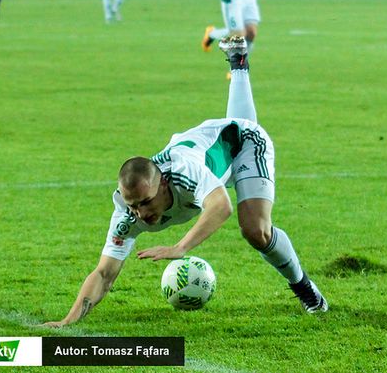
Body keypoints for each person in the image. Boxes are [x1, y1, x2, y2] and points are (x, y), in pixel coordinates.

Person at [43, 37, 328, 328]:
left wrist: (181, 247)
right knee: (234, 131)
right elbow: (104, 274)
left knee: (256, 230)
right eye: (133, 205)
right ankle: (238, 63)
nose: (141, 212)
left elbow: (221, 206)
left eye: (146, 202)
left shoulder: (183, 172)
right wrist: (66, 321)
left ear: (163, 184)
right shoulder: (127, 215)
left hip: (245, 145)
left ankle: (305, 289)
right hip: (216, 142)